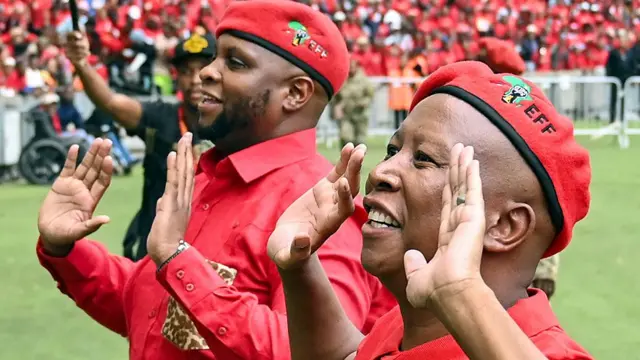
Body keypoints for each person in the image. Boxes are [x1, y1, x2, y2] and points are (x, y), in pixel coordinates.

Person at [35, 1, 395, 359]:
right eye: (215, 58)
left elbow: (310, 351)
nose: (207, 72)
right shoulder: (210, 175)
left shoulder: (322, 209)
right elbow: (153, 311)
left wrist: (179, 261)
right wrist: (65, 251)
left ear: (295, 93)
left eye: (234, 62)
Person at [266, 61, 594, 359]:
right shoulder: (409, 325)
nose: (380, 172)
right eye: (393, 151)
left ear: (504, 226)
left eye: (423, 158)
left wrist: (461, 293)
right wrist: (300, 268)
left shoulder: (549, 352)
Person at [64, 30, 218, 260]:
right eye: (186, 72)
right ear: (177, 77)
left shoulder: (232, 124)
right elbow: (110, 102)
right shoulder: (161, 116)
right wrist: (82, 64)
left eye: (202, 70)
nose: (195, 79)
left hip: (209, 243)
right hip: (154, 244)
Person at [331, 58, 375, 147]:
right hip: (346, 114)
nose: (350, 69)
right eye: (349, 67)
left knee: (360, 140)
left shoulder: (363, 80)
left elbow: (370, 95)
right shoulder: (343, 79)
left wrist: (364, 102)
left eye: (352, 67)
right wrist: (336, 108)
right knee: (346, 137)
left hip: (360, 114)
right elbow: (336, 96)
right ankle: (346, 157)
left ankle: (358, 158)